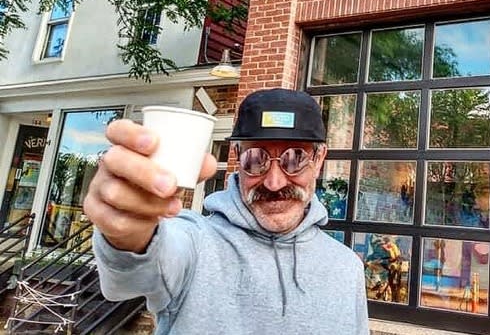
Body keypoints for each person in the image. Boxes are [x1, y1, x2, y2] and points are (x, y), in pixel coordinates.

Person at [85, 88, 369, 334]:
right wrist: (126, 231)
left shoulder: (347, 269)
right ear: (235, 157)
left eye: (294, 159)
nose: (274, 182)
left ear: (319, 160)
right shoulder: (195, 244)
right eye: (255, 159)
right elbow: (132, 275)